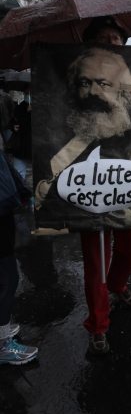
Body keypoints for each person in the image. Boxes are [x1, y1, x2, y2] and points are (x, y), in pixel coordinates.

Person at [36, 16, 131, 355]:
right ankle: (98, 324)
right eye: (85, 83)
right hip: (89, 203)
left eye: (103, 83)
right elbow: (47, 182)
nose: (93, 92)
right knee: (95, 264)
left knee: (130, 252)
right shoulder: (65, 139)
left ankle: (119, 284)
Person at [0, 150, 38, 364]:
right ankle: (2, 345)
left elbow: (4, 166)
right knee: (7, 280)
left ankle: (1, 328)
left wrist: (25, 193)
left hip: (4, 211)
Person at [8, 86, 32, 179]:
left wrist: (31, 114)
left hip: (35, 145)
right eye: (27, 94)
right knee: (19, 173)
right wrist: (12, 126)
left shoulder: (42, 107)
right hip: (21, 145)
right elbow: (13, 121)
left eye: (30, 94)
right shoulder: (19, 108)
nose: (28, 96)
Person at [0, 80, 15, 146]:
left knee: (8, 142)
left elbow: (12, 110)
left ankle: (8, 154)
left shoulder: (7, 97)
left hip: (5, 124)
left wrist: (10, 120)